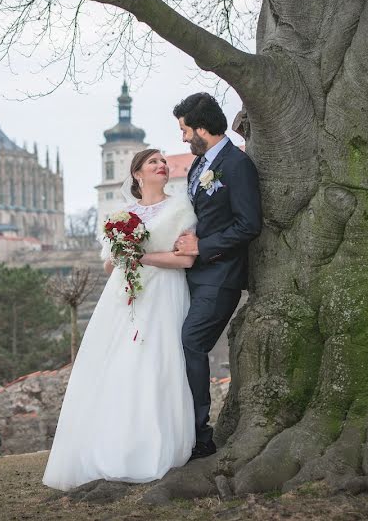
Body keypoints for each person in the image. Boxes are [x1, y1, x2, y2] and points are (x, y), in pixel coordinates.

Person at [43, 149, 199, 491]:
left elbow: (186, 260)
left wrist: (140, 255)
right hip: (123, 297)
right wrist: (123, 253)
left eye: (163, 161)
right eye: (153, 162)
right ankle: (114, 445)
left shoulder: (181, 208)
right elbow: (109, 265)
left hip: (163, 294)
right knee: (119, 366)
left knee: (158, 363)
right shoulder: (123, 214)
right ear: (138, 174)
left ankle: (156, 446)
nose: (162, 165)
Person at [173, 92, 262, 460]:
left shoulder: (237, 165)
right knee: (177, 343)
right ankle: (180, 428)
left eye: (184, 130)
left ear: (202, 129)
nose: (181, 138)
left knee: (192, 342)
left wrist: (202, 247)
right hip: (193, 275)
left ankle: (201, 436)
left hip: (222, 275)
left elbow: (248, 224)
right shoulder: (198, 166)